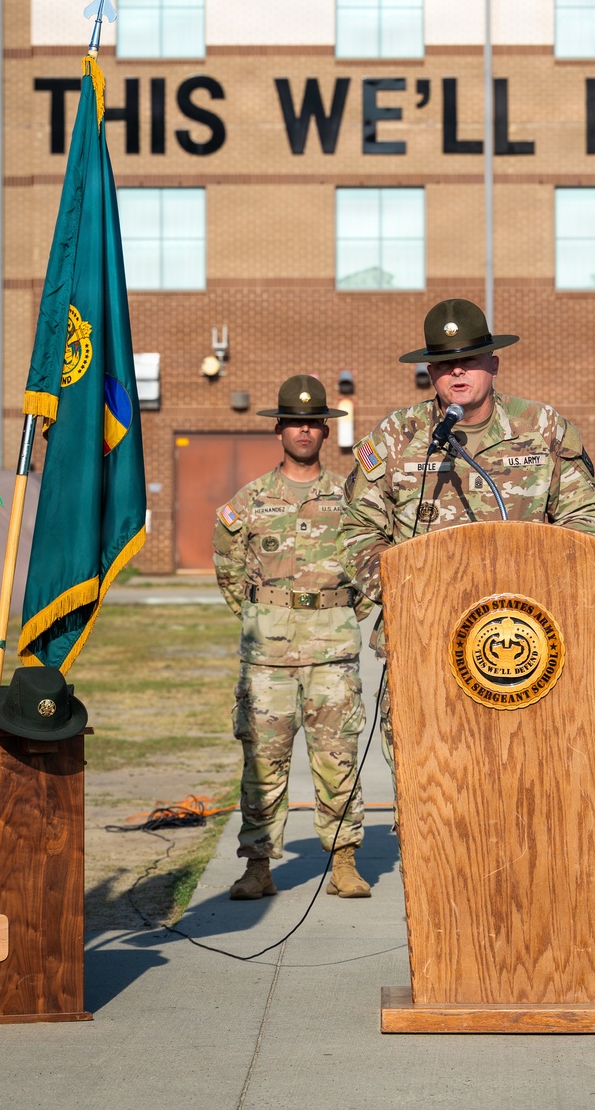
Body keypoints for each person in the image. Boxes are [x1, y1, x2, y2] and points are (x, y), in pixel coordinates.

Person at [338, 297, 595, 779]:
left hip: (525, 643)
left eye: (469, 359)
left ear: (494, 363)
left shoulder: (543, 429)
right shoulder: (396, 438)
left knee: (524, 781)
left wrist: (551, 589)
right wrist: (412, 592)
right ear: (429, 372)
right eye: (443, 363)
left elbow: (586, 522)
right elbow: (357, 533)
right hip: (424, 641)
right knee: (428, 788)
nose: (457, 371)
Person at [213, 375, 372, 901]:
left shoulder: (351, 499)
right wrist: (266, 617)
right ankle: (258, 865)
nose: (304, 430)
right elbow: (228, 568)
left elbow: (374, 567)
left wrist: (345, 612)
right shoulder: (251, 500)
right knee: (262, 760)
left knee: (337, 756)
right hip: (269, 658)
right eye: (294, 422)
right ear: (278, 430)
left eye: (313, 423)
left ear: (325, 432)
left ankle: (344, 860)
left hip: (332, 653)